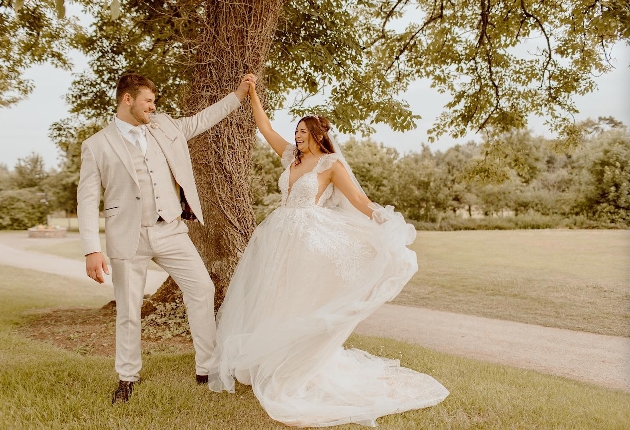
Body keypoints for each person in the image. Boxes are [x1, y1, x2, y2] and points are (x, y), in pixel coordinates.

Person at [206, 79, 449, 427]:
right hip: (277, 235)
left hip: (308, 236)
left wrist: (384, 220)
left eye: (303, 131)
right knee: (274, 295)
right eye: (297, 130)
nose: (298, 135)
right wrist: (252, 91)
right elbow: (264, 126)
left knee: (300, 298)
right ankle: (270, 360)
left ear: (319, 135)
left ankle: (296, 364)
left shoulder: (330, 164)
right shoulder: (291, 156)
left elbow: (359, 200)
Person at [77, 72, 256, 404]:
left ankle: (207, 367)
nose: (152, 106)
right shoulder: (97, 145)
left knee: (202, 288)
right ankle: (127, 377)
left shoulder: (164, 125)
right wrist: (91, 249)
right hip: (128, 236)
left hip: (171, 229)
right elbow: (86, 200)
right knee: (129, 310)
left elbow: (201, 121)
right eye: (148, 101)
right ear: (126, 100)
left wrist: (237, 95)